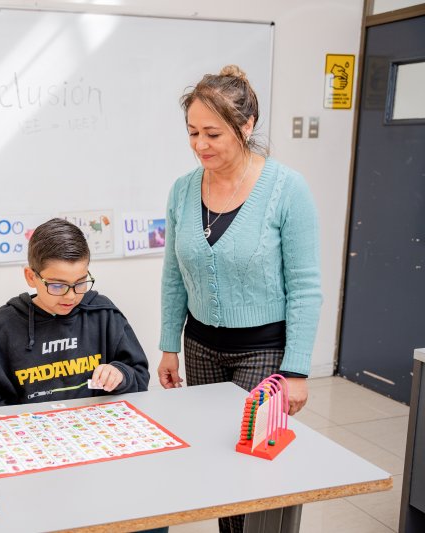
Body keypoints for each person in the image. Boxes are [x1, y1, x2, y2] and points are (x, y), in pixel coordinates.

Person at [157, 66, 322, 532]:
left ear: (246, 126)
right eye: (193, 133)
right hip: (200, 347)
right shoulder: (183, 190)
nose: (200, 145)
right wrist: (169, 346)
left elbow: (306, 286)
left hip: (263, 350)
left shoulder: (287, 189)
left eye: (212, 133)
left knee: (253, 467)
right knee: (217, 467)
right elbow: (174, 274)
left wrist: (297, 371)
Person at [0, 218, 150, 408]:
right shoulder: (3, 326)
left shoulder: (103, 314)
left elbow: (140, 377)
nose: (71, 296)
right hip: (30, 425)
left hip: (95, 422)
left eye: (80, 283)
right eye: (57, 286)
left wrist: (121, 375)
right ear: (31, 277)